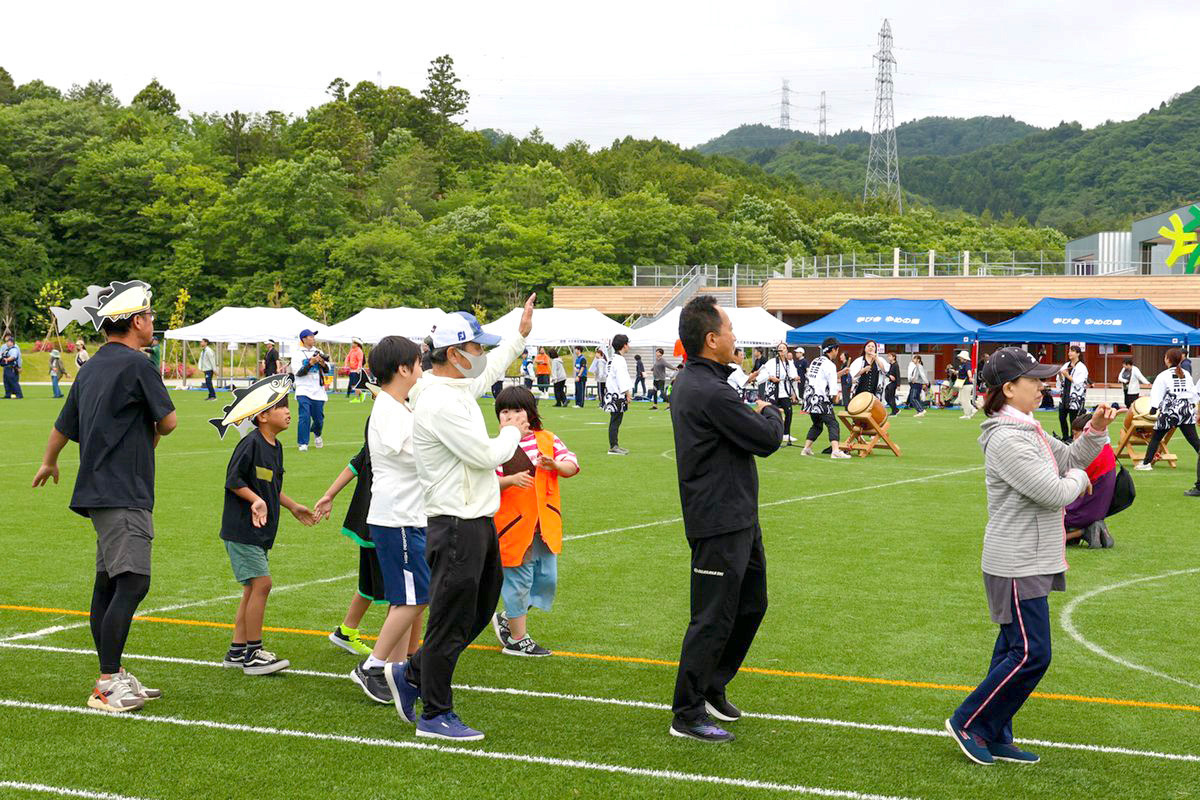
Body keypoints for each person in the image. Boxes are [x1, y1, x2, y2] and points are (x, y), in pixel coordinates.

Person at [946, 347, 1117, 766]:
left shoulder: (1029, 429)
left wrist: (1094, 430)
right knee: (1031, 652)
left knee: (1012, 649)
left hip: (1032, 556)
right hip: (1016, 559)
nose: (1043, 386)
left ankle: (994, 731)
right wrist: (1078, 479)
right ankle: (968, 722)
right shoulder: (1007, 437)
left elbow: (1073, 460)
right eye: (1035, 380)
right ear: (1008, 389)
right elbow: (1054, 490)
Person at [388, 296, 534, 741]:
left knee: (478, 608)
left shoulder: (449, 386)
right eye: (476, 348)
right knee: (451, 620)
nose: (482, 355)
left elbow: (488, 371)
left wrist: (520, 335)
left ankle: (412, 671)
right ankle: (435, 713)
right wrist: (514, 429)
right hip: (455, 525)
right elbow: (485, 454)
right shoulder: (440, 401)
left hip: (475, 521)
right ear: (454, 354)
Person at [32, 279, 177, 713]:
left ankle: (113, 673)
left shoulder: (91, 366)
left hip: (97, 489)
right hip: (125, 488)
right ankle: (108, 682)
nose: (153, 323)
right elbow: (168, 422)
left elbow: (63, 424)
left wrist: (49, 460)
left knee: (109, 582)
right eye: (150, 316)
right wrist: (152, 429)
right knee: (133, 580)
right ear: (136, 321)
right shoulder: (139, 365)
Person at [668, 295, 783, 742]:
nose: (736, 337)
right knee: (712, 616)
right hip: (716, 519)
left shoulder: (711, 383)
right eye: (730, 329)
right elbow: (767, 438)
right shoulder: (707, 389)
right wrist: (769, 410)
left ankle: (713, 685)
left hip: (737, 516)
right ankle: (687, 711)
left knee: (753, 603)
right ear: (712, 339)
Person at [347, 336, 433, 706]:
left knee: (405, 597)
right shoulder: (389, 408)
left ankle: (393, 671)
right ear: (403, 368)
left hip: (404, 513)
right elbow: (418, 453)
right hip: (397, 515)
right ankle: (372, 665)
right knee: (418, 595)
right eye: (418, 363)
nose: (422, 370)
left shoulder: (398, 405)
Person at [218, 384, 315, 675]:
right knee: (262, 584)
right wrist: (256, 500)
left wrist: (293, 506)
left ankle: (237, 651)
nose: (288, 412)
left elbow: (273, 487)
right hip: (243, 529)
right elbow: (234, 481)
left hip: (260, 531)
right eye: (281, 407)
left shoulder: (276, 446)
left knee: (251, 588)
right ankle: (253, 653)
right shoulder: (250, 444)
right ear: (262, 416)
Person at [491, 386, 580, 656]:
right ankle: (518, 639)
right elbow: (485, 484)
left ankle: (507, 617)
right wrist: (509, 481)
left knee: (546, 580)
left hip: (545, 526)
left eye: (517, 410)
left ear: (530, 414)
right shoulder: (498, 446)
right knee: (518, 580)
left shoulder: (547, 439)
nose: (510, 416)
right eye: (504, 412)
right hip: (513, 527)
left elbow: (572, 465)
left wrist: (555, 465)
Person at [313, 422, 390, 659]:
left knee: (368, 586)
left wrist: (329, 494)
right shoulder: (389, 443)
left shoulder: (378, 442)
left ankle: (346, 631)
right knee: (402, 594)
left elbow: (354, 465)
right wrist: (328, 495)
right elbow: (356, 464)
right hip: (382, 526)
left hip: (370, 526)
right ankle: (394, 653)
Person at [1136, 348, 1200, 488]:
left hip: (1171, 410)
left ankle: (1146, 463)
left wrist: (1154, 407)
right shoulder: (1186, 374)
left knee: (1156, 437)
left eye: (1165, 357)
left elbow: (1157, 392)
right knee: (1194, 440)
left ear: (1168, 360)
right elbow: (1193, 393)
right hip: (1186, 409)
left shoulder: (1164, 375)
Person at [1064, 412, 1117, 548]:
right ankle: (1082, 530)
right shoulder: (1106, 449)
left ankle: (1081, 531)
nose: (1074, 438)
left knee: (1039, 522)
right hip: (1098, 509)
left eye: (1076, 434)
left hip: (1082, 511)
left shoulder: (1090, 456)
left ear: (1086, 432)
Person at [802, 338, 850, 459]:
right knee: (833, 424)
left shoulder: (815, 361)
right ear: (833, 349)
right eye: (837, 350)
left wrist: (841, 372)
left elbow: (822, 378)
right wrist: (835, 397)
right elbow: (832, 383)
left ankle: (806, 449)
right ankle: (835, 451)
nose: (837, 353)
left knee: (817, 425)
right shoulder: (830, 364)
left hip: (809, 398)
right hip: (821, 399)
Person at [754, 343, 799, 445]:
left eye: (784, 348)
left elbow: (793, 375)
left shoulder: (790, 363)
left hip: (785, 391)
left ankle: (786, 434)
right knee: (771, 412)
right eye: (780, 348)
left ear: (787, 350)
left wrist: (796, 378)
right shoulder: (772, 362)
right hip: (773, 391)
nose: (782, 350)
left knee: (789, 412)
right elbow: (763, 374)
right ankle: (768, 433)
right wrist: (770, 377)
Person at [293, 329, 329, 452]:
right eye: (311, 337)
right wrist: (310, 363)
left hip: (318, 390)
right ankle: (303, 443)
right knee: (304, 416)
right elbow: (298, 373)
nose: (313, 339)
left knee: (319, 419)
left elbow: (326, 370)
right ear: (304, 339)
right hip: (303, 389)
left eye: (314, 337)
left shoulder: (318, 352)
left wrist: (322, 363)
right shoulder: (297, 354)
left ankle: (317, 434)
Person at [604, 335, 634, 455]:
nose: (629, 346)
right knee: (616, 420)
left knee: (615, 419)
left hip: (611, 393)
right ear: (624, 345)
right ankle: (613, 445)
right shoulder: (620, 360)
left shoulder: (612, 359)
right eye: (627, 344)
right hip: (617, 394)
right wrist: (627, 393)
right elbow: (622, 378)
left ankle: (614, 444)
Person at [1058, 345, 1088, 439]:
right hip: (1065, 395)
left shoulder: (1081, 367)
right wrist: (1060, 375)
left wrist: (1067, 375)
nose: (1069, 353)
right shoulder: (1066, 365)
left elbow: (1079, 382)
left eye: (1072, 351)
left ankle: (1072, 437)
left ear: (1078, 353)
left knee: (1073, 420)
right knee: (1062, 417)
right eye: (1069, 351)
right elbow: (1060, 380)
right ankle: (1065, 436)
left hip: (1075, 397)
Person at [1, 332, 22, 399]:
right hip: (6, 367)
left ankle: (19, 394)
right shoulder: (6, 349)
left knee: (13, 381)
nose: (7, 343)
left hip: (11, 368)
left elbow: (14, 356)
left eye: (8, 341)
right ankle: (8, 394)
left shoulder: (14, 349)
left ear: (12, 342)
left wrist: (7, 359)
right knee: (6, 381)